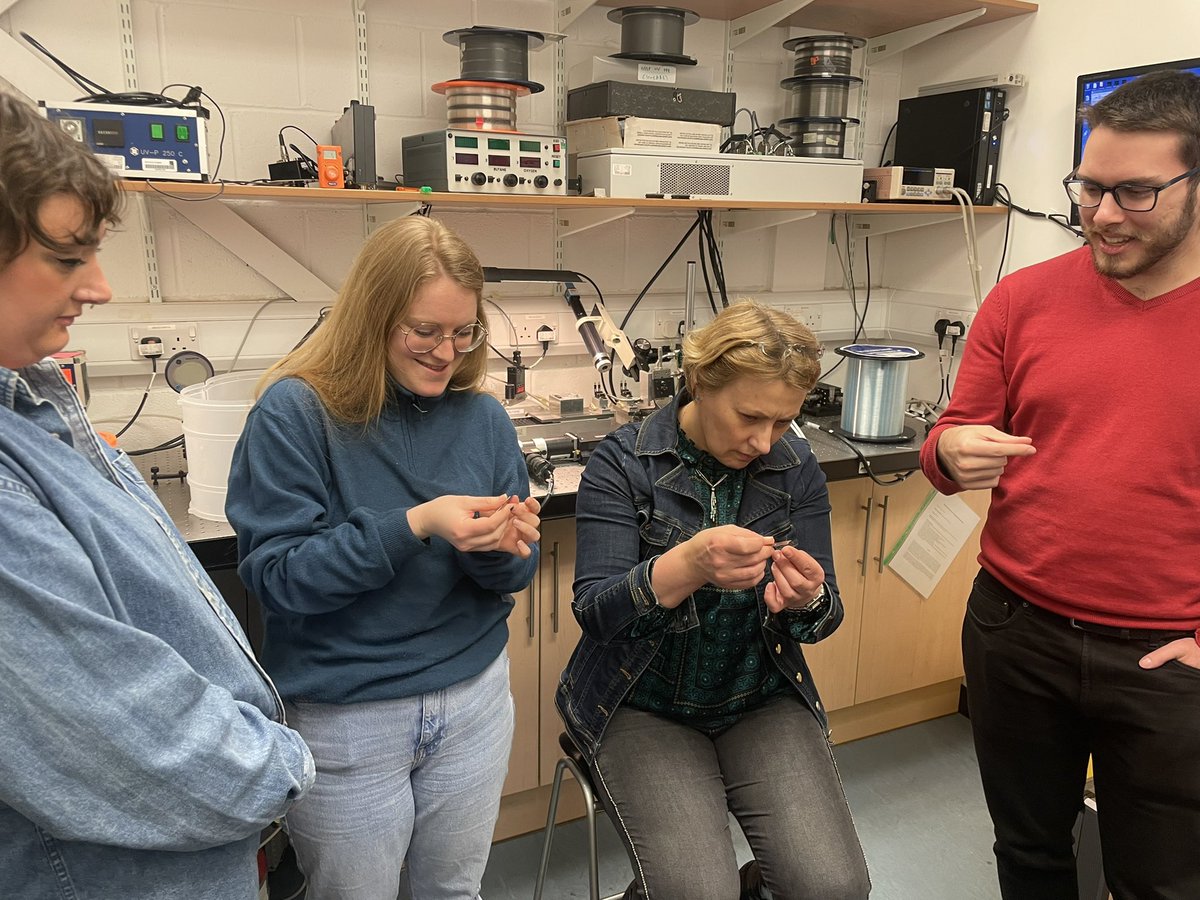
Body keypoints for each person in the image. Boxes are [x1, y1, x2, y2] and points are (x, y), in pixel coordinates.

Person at [0, 91, 315, 899]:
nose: (99, 287)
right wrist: (278, 767)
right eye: (69, 258)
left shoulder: (34, 407)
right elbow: (109, 731)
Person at [920, 69, 1200, 899]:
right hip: (1015, 632)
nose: (1104, 214)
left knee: (1161, 882)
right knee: (1030, 857)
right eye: (1090, 187)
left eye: (1137, 192)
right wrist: (951, 452)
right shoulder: (1023, 299)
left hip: (1168, 660)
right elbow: (948, 436)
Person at [225, 214, 541, 900]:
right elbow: (280, 579)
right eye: (424, 331)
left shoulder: (481, 418)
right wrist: (415, 525)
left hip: (473, 701)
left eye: (463, 333)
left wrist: (498, 545)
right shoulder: (296, 414)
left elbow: (514, 574)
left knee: (451, 892)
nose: (445, 351)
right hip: (348, 718)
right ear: (372, 317)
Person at [556, 300, 871, 900]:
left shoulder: (796, 468)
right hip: (640, 704)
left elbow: (823, 619)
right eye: (749, 416)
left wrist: (808, 599)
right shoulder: (624, 463)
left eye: (782, 423)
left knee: (834, 887)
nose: (762, 441)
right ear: (701, 382)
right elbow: (596, 615)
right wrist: (688, 564)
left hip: (759, 697)